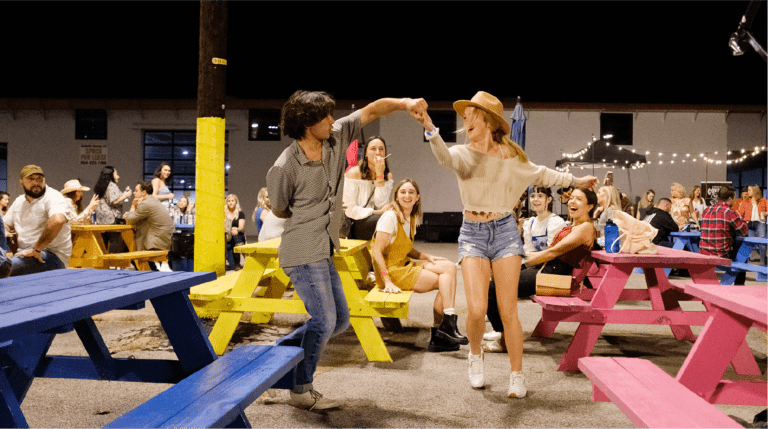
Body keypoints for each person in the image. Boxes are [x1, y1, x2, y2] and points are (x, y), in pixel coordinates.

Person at [417, 91, 597, 398]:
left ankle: (517, 375)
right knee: (476, 309)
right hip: (472, 233)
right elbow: (444, 157)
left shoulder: (512, 158)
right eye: (464, 117)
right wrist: (429, 127)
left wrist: (575, 181)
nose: (465, 121)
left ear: (488, 121)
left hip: (504, 232)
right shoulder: (463, 154)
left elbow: (542, 173)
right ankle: (476, 356)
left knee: (508, 309)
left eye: (471, 116)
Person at [266, 90, 427, 410]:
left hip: (326, 246)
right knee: (324, 320)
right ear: (307, 123)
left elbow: (371, 110)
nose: (332, 120)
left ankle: (270, 360)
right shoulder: (285, 166)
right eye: (324, 116)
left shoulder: (335, 137)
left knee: (339, 319)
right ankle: (300, 389)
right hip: (301, 249)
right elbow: (280, 208)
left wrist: (404, 103)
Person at [485, 187, 597, 353]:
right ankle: (505, 335)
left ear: (590, 206)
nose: (572, 202)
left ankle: (505, 339)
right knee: (495, 281)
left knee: (493, 287)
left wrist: (521, 264)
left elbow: (553, 252)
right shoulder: (573, 225)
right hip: (547, 270)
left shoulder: (586, 227)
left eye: (579, 199)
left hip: (555, 276)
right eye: (572, 198)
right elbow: (549, 252)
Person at [370, 179, 467, 353]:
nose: (407, 195)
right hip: (391, 273)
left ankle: (445, 327)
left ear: (417, 197)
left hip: (403, 266)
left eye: (411, 192)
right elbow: (376, 251)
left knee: (449, 267)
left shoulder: (411, 217)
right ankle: (441, 331)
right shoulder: (390, 217)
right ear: (396, 196)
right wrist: (387, 280)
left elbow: (405, 247)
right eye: (403, 192)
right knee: (445, 281)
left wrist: (424, 256)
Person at [3, 165, 71, 276]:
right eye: (31, 179)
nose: (36, 182)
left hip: (51, 256)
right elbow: (4, 224)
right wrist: (5, 230)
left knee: (4, 269)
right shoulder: (19, 201)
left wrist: (37, 249)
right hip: (25, 254)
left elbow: (57, 221)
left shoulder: (53, 196)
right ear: (21, 183)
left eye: (40, 179)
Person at [342, 136, 394, 239]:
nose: (378, 152)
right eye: (373, 149)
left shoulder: (387, 176)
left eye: (381, 149)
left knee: (396, 217)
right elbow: (349, 210)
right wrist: (376, 212)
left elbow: (381, 204)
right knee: (389, 219)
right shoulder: (354, 173)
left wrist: (380, 175)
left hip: (376, 221)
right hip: (355, 223)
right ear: (365, 153)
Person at [699, 185, 748, 285]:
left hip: (703, 253)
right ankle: (739, 286)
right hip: (721, 254)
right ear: (729, 199)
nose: (734, 201)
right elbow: (744, 230)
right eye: (734, 198)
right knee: (744, 251)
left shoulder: (706, 210)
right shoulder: (729, 212)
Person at [123, 181, 175, 270]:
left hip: (158, 239)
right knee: (134, 246)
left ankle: (149, 271)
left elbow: (130, 220)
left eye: (136, 190)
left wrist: (133, 206)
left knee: (132, 251)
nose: (134, 193)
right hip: (165, 237)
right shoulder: (153, 200)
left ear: (143, 192)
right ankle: (150, 270)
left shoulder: (145, 204)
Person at [521, 186, 566, 256]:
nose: (535, 199)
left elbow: (552, 252)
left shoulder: (556, 222)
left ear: (549, 199)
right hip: (533, 261)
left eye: (540, 196)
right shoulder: (530, 223)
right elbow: (528, 250)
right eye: (532, 196)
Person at [737, 185, 767, 264]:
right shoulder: (745, 201)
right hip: (749, 223)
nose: (748, 192)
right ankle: (748, 261)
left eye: (749, 190)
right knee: (751, 243)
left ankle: (763, 261)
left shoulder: (763, 201)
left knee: (762, 242)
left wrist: (766, 213)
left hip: (760, 222)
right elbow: (740, 214)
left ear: (754, 191)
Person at [225, 194, 246, 270]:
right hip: (227, 237)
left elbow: (241, 227)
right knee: (234, 235)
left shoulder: (240, 213)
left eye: (232, 201)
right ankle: (243, 251)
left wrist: (236, 229)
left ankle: (237, 264)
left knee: (235, 234)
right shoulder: (223, 214)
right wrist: (230, 230)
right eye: (229, 201)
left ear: (236, 202)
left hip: (237, 235)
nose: (230, 203)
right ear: (226, 203)